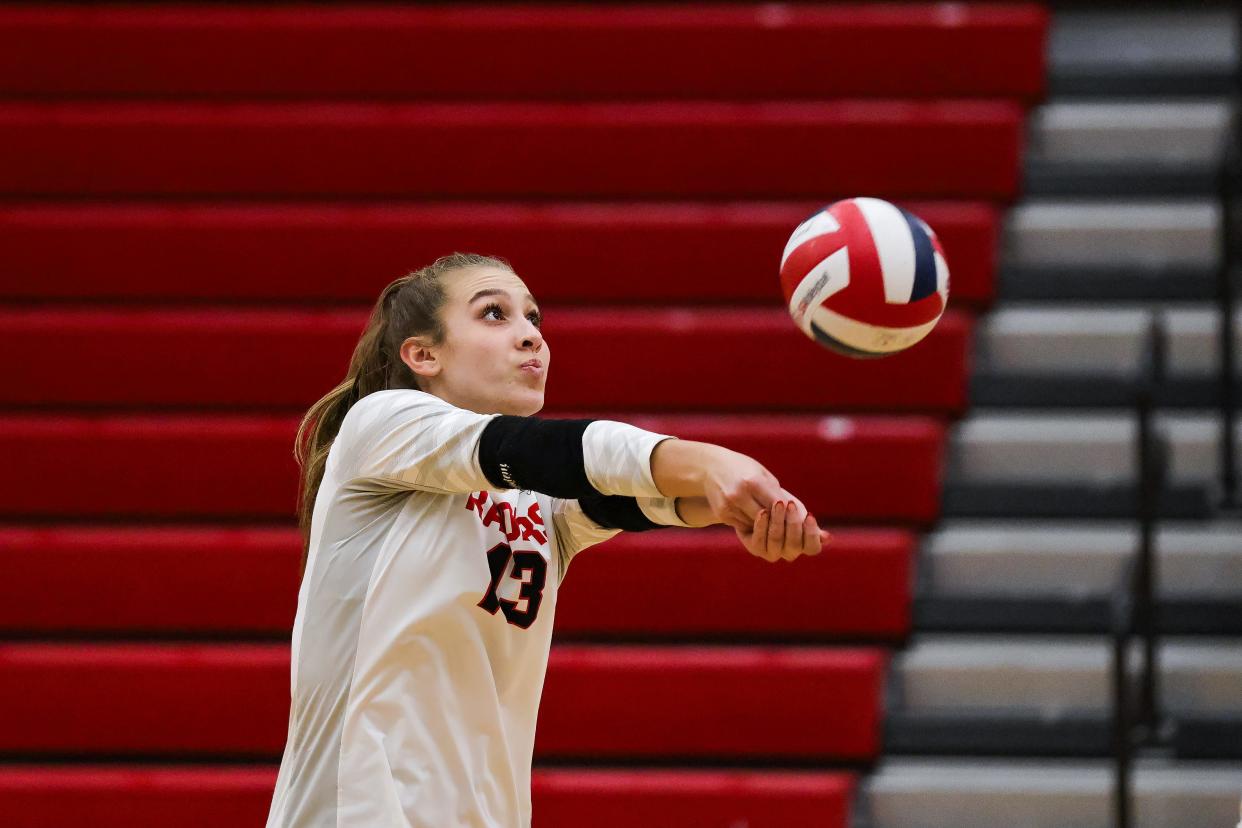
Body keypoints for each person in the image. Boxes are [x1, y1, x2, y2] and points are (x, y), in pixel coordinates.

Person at [266, 252, 830, 827]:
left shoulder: (532, 502)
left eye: (533, 317)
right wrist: (709, 460)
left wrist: (747, 507)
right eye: (494, 314)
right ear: (423, 354)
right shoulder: (380, 426)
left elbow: (629, 495)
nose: (529, 336)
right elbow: (550, 452)